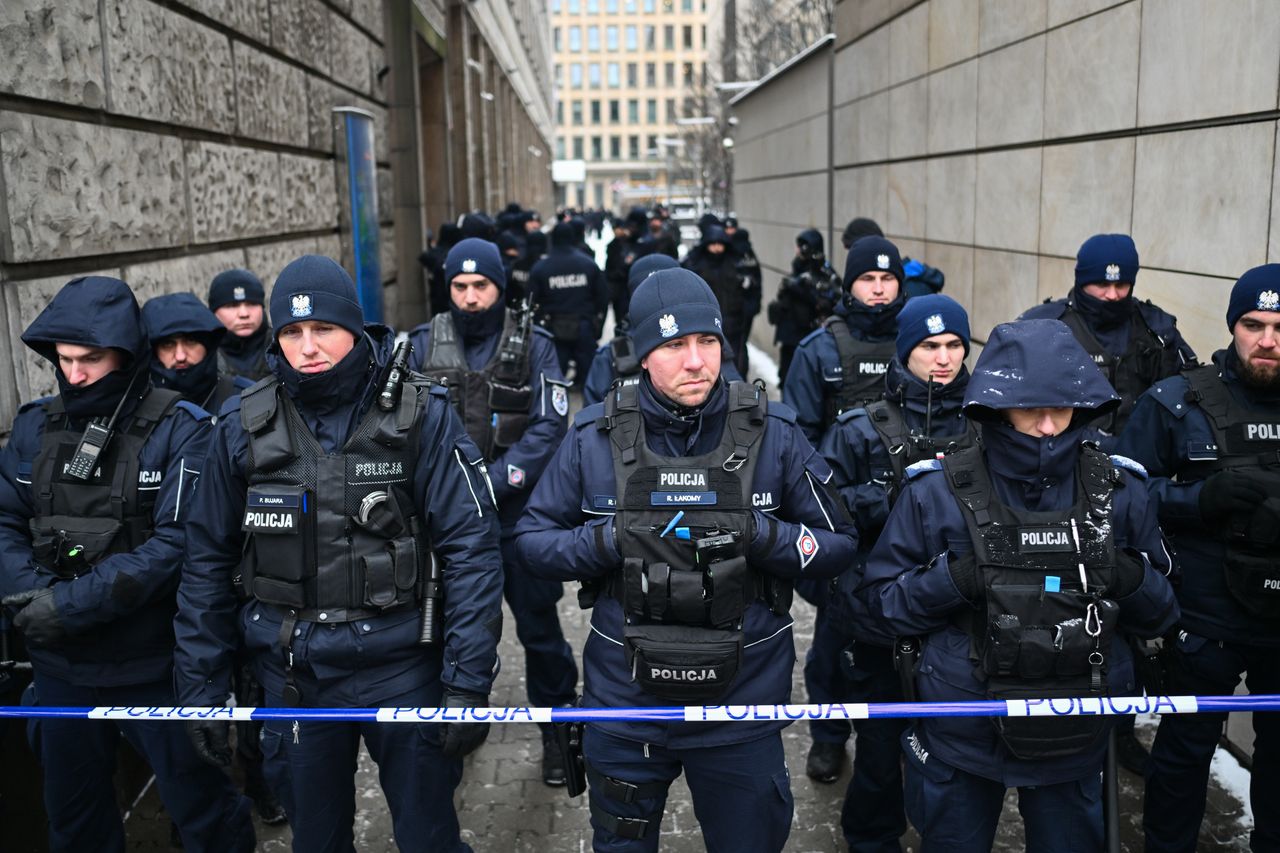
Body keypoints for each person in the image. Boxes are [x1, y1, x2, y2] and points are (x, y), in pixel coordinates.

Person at [514, 268, 859, 852]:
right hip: (626, 706)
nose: (696, 361)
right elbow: (531, 542)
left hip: (741, 705)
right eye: (673, 345)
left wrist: (758, 535)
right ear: (643, 355)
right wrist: (609, 541)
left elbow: (839, 543)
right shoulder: (594, 434)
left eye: (706, 342)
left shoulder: (774, 432)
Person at [173, 255, 505, 853]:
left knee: (429, 835)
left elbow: (472, 551)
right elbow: (205, 564)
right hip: (294, 676)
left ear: (355, 328)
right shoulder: (238, 426)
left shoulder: (421, 415)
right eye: (292, 333)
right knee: (317, 839)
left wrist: (468, 682)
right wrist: (200, 689)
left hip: (403, 671)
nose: (309, 347)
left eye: (323, 329)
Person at [862, 318, 1179, 852]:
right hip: (963, 724)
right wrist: (958, 578)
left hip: (1076, 724)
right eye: (1032, 409)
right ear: (994, 407)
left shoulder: (1120, 490)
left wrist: (1125, 575)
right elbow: (884, 605)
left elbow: (1165, 612)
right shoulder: (934, 492)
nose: (1051, 427)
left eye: (1063, 408)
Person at [0, 276, 255, 852]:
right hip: (60, 668)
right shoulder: (34, 425)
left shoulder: (182, 429)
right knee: (75, 820)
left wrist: (67, 605)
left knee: (205, 812)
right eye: (63, 359)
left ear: (127, 353)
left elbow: (179, 544)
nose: (75, 373)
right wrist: (29, 597)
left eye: (90, 358)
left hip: (154, 668)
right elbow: (6, 520)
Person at [1115, 265, 1280, 852]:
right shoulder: (1178, 402)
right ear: (1233, 326)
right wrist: (1196, 499)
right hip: (1204, 618)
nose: (1268, 339)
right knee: (1185, 751)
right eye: (1253, 324)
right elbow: (1120, 495)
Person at [801, 295, 975, 850]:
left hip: (964, 616)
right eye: (929, 347)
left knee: (958, 751)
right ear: (906, 352)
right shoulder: (860, 429)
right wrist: (894, 497)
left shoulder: (987, 420)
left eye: (954, 346)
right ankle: (872, 837)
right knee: (881, 750)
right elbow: (821, 512)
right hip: (883, 618)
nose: (943, 359)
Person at [409, 237, 580, 785]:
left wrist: (499, 477)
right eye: (460, 286)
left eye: (481, 285)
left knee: (541, 633)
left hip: (517, 520)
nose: (470, 296)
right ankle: (452, 734)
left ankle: (557, 733)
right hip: (447, 527)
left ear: (499, 288)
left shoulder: (537, 345)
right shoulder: (419, 345)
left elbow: (551, 424)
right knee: (442, 634)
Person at [1021, 233, 1195, 444]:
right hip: (1063, 453)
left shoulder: (1156, 330)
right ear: (1082, 282)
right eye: (1102, 284)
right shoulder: (1044, 325)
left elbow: (1188, 391)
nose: (1112, 295)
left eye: (1121, 285)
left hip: (1141, 456)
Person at [784, 236, 908, 443]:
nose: (878, 288)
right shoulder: (817, 350)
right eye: (867, 278)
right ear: (850, 286)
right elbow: (799, 438)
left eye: (887, 278)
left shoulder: (921, 345)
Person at [143, 292, 252, 417]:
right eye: (168, 345)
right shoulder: (138, 404)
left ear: (208, 345)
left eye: (190, 342)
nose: (180, 356)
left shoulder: (246, 398)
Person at [528, 221, 610, 389]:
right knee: (590, 377)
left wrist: (540, 326)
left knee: (553, 377)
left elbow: (531, 301)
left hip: (553, 328)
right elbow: (603, 296)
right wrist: (598, 325)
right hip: (584, 325)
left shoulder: (541, 268)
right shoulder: (588, 264)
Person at [768, 229, 843, 383]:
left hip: (811, 337)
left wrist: (802, 290)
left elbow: (830, 301)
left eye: (801, 246)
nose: (797, 250)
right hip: (790, 338)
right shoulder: (797, 268)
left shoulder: (825, 273)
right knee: (787, 379)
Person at [682, 225, 755, 377]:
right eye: (712, 244)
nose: (716, 248)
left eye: (719, 244)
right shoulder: (696, 264)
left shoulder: (735, 263)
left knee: (736, 361)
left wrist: (747, 311)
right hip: (705, 322)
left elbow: (750, 289)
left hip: (733, 322)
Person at [208, 268, 272, 381]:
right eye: (232, 305)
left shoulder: (283, 346)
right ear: (214, 312)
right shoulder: (203, 357)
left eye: (252, 304)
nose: (244, 314)